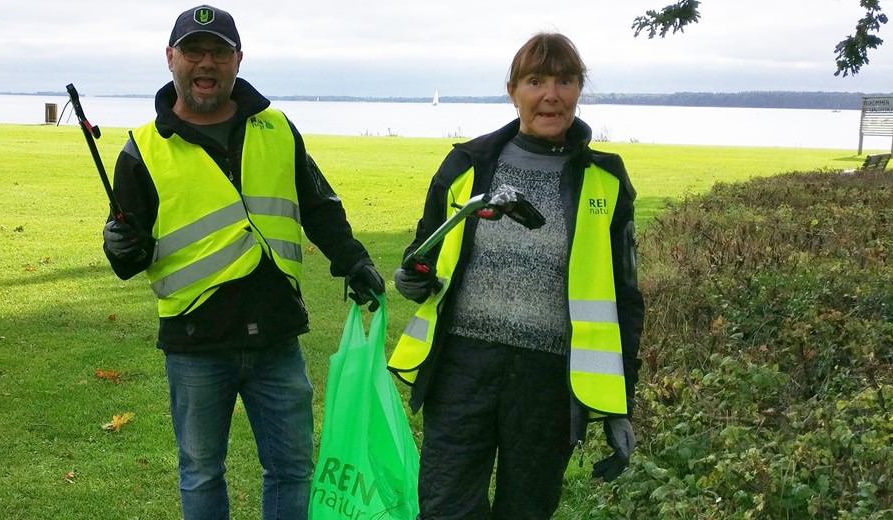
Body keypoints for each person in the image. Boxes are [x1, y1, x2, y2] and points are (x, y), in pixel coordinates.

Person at [99, 5, 385, 519]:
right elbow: (129, 253)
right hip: (195, 344)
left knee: (292, 469)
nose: (205, 64)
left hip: (277, 337)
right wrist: (118, 245)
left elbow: (319, 206)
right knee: (202, 474)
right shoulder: (142, 149)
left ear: (238, 59)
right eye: (193, 51)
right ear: (171, 58)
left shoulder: (276, 128)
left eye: (218, 52)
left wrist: (355, 261)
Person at [387, 32, 644, 519]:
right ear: (512, 90)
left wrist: (619, 402)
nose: (551, 94)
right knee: (445, 510)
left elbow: (625, 299)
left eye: (565, 80)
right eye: (535, 80)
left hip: (548, 381)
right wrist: (412, 276)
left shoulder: (605, 181)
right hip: (462, 370)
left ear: (579, 89)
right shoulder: (468, 164)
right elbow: (425, 250)